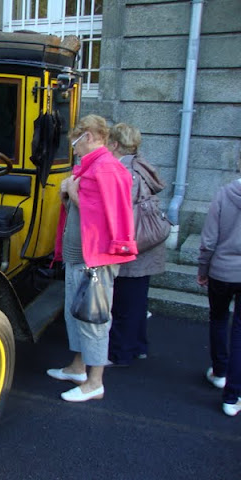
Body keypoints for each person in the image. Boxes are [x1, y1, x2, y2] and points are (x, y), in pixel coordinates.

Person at [47, 114, 137, 402]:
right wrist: (69, 193)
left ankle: (95, 382)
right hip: (81, 257)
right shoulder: (96, 166)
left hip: (94, 260)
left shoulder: (106, 168)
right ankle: (78, 368)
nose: (73, 147)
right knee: (77, 314)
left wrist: (72, 193)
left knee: (94, 319)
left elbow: (109, 214)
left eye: (75, 141)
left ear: (88, 137)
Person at [107, 123, 167, 366]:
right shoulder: (142, 166)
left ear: (115, 144)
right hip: (149, 244)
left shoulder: (124, 172)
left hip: (133, 247)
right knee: (137, 302)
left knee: (123, 304)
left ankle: (121, 353)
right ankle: (138, 346)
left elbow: (119, 213)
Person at [197, 178, 241, 417]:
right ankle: (233, 396)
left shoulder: (224, 194)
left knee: (219, 318)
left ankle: (220, 372)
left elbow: (209, 240)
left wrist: (203, 270)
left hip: (222, 271)